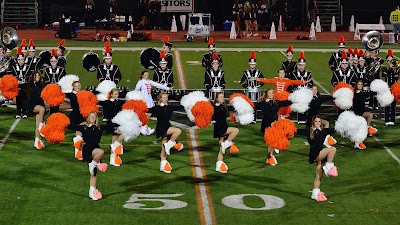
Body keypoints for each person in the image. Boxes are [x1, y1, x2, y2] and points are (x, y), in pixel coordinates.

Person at [67, 111, 120, 200]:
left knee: (94, 173)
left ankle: (92, 191)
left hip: (96, 149)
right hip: (88, 150)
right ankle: (93, 163)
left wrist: (123, 121)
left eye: (94, 116)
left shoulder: (99, 128)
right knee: (101, 152)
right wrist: (61, 123)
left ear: (96, 118)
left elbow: (110, 126)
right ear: (88, 118)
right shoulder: (84, 127)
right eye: (90, 116)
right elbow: (72, 126)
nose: (92, 118)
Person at [296, 115, 338, 202]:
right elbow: (296, 131)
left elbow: (335, 129)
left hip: (321, 154)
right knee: (333, 149)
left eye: (319, 122)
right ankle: (328, 166)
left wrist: (347, 126)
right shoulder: (309, 131)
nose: (318, 123)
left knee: (319, 176)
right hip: (315, 154)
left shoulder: (324, 131)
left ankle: (315, 193)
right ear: (313, 122)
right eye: (316, 121)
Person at [149, 92, 184, 174]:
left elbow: (179, 107)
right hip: (161, 128)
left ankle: (163, 164)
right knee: (178, 131)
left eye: (166, 98)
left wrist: (189, 104)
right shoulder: (156, 108)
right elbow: (147, 110)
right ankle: (170, 144)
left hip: (167, 126)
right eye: (163, 98)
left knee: (164, 146)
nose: (165, 99)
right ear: (160, 98)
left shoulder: (169, 107)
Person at [254, 89, 291, 165]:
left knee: (272, 142)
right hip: (267, 124)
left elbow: (287, 102)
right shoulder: (263, 103)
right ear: (267, 94)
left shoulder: (276, 102)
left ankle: (270, 157)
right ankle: (270, 157)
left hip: (275, 123)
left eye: (272, 93)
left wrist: (297, 99)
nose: (271, 94)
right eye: (270, 93)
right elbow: (253, 106)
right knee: (271, 142)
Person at [135, 70, 170, 135]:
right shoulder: (140, 82)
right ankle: (143, 128)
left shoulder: (149, 81)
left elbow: (158, 85)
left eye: (147, 75)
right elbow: (136, 90)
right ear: (142, 76)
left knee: (149, 114)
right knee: (144, 115)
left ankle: (144, 128)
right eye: (145, 75)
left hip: (149, 100)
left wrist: (167, 88)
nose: (146, 76)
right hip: (143, 100)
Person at [213, 92, 239, 173]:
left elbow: (230, 109)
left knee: (222, 149)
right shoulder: (214, 107)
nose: (222, 98)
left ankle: (218, 165)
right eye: (220, 97)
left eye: (222, 97)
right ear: (216, 98)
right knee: (235, 130)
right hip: (220, 128)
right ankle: (227, 143)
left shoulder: (223, 106)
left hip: (224, 126)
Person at [100, 88, 125, 166]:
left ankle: (113, 159)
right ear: (111, 95)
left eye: (117, 94)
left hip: (119, 122)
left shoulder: (120, 102)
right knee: (124, 134)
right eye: (115, 94)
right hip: (111, 123)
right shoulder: (106, 102)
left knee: (114, 139)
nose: (117, 95)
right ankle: (116, 146)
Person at [352, 80, 378, 149]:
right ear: (356, 86)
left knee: (370, 115)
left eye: (361, 84)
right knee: (358, 129)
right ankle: (357, 143)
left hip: (362, 112)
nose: (360, 86)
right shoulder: (354, 94)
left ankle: (367, 128)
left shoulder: (362, 93)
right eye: (359, 84)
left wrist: (378, 90)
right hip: (356, 113)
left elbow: (370, 94)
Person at [26, 71, 46, 149]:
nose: (37, 76)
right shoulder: (29, 85)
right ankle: (41, 127)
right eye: (36, 75)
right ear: (33, 76)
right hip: (31, 105)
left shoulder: (41, 85)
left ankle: (37, 141)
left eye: (38, 75)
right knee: (42, 109)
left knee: (38, 124)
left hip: (39, 104)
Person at [65, 80, 85, 160]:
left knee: (80, 132)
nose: (78, 87)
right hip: (75, 114)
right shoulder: (71, 94)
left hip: (82, 114)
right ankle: (78, 151)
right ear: (73, 87)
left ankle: (78, 152)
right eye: (76, 86)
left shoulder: (83, 93)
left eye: (79, 85)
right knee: (79, 130)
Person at [44, 49, 66, 114]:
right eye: (52, 61)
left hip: (59, 89)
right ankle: (51, 113)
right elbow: (47, 80)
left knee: (56, 102)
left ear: (57, 61)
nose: (53, 63)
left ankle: (56, 113)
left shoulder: (62, 69)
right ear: (50, 62)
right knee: (51, 101)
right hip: (50, 89)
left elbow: (63, 80)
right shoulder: (47, 69)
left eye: (55, 61)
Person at [11, 47, 30, 118]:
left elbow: (28, 77)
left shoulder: (27, 67)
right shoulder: (14, 67)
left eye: (22, 59)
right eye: (19, 59)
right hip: (17, 85)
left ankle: (24, 112)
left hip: (25, 85)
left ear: (24, 60)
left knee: (25, 99)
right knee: (18, 99)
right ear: (17, 60)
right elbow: (13, 76)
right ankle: (18, 113)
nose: (20, 61)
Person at [382, 49, 399, 126]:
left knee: (393, 105)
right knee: (387, 105)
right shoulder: (384, 69)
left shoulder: (397, 69)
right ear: (387, 61)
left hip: (394, 89)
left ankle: (392, 120)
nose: (390, 61)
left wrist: (394, 69)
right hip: (387, 88)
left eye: (391, 60)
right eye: (388, 60)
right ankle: (386, 120)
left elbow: (396, 76)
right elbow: (385, 75)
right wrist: (389, 66)